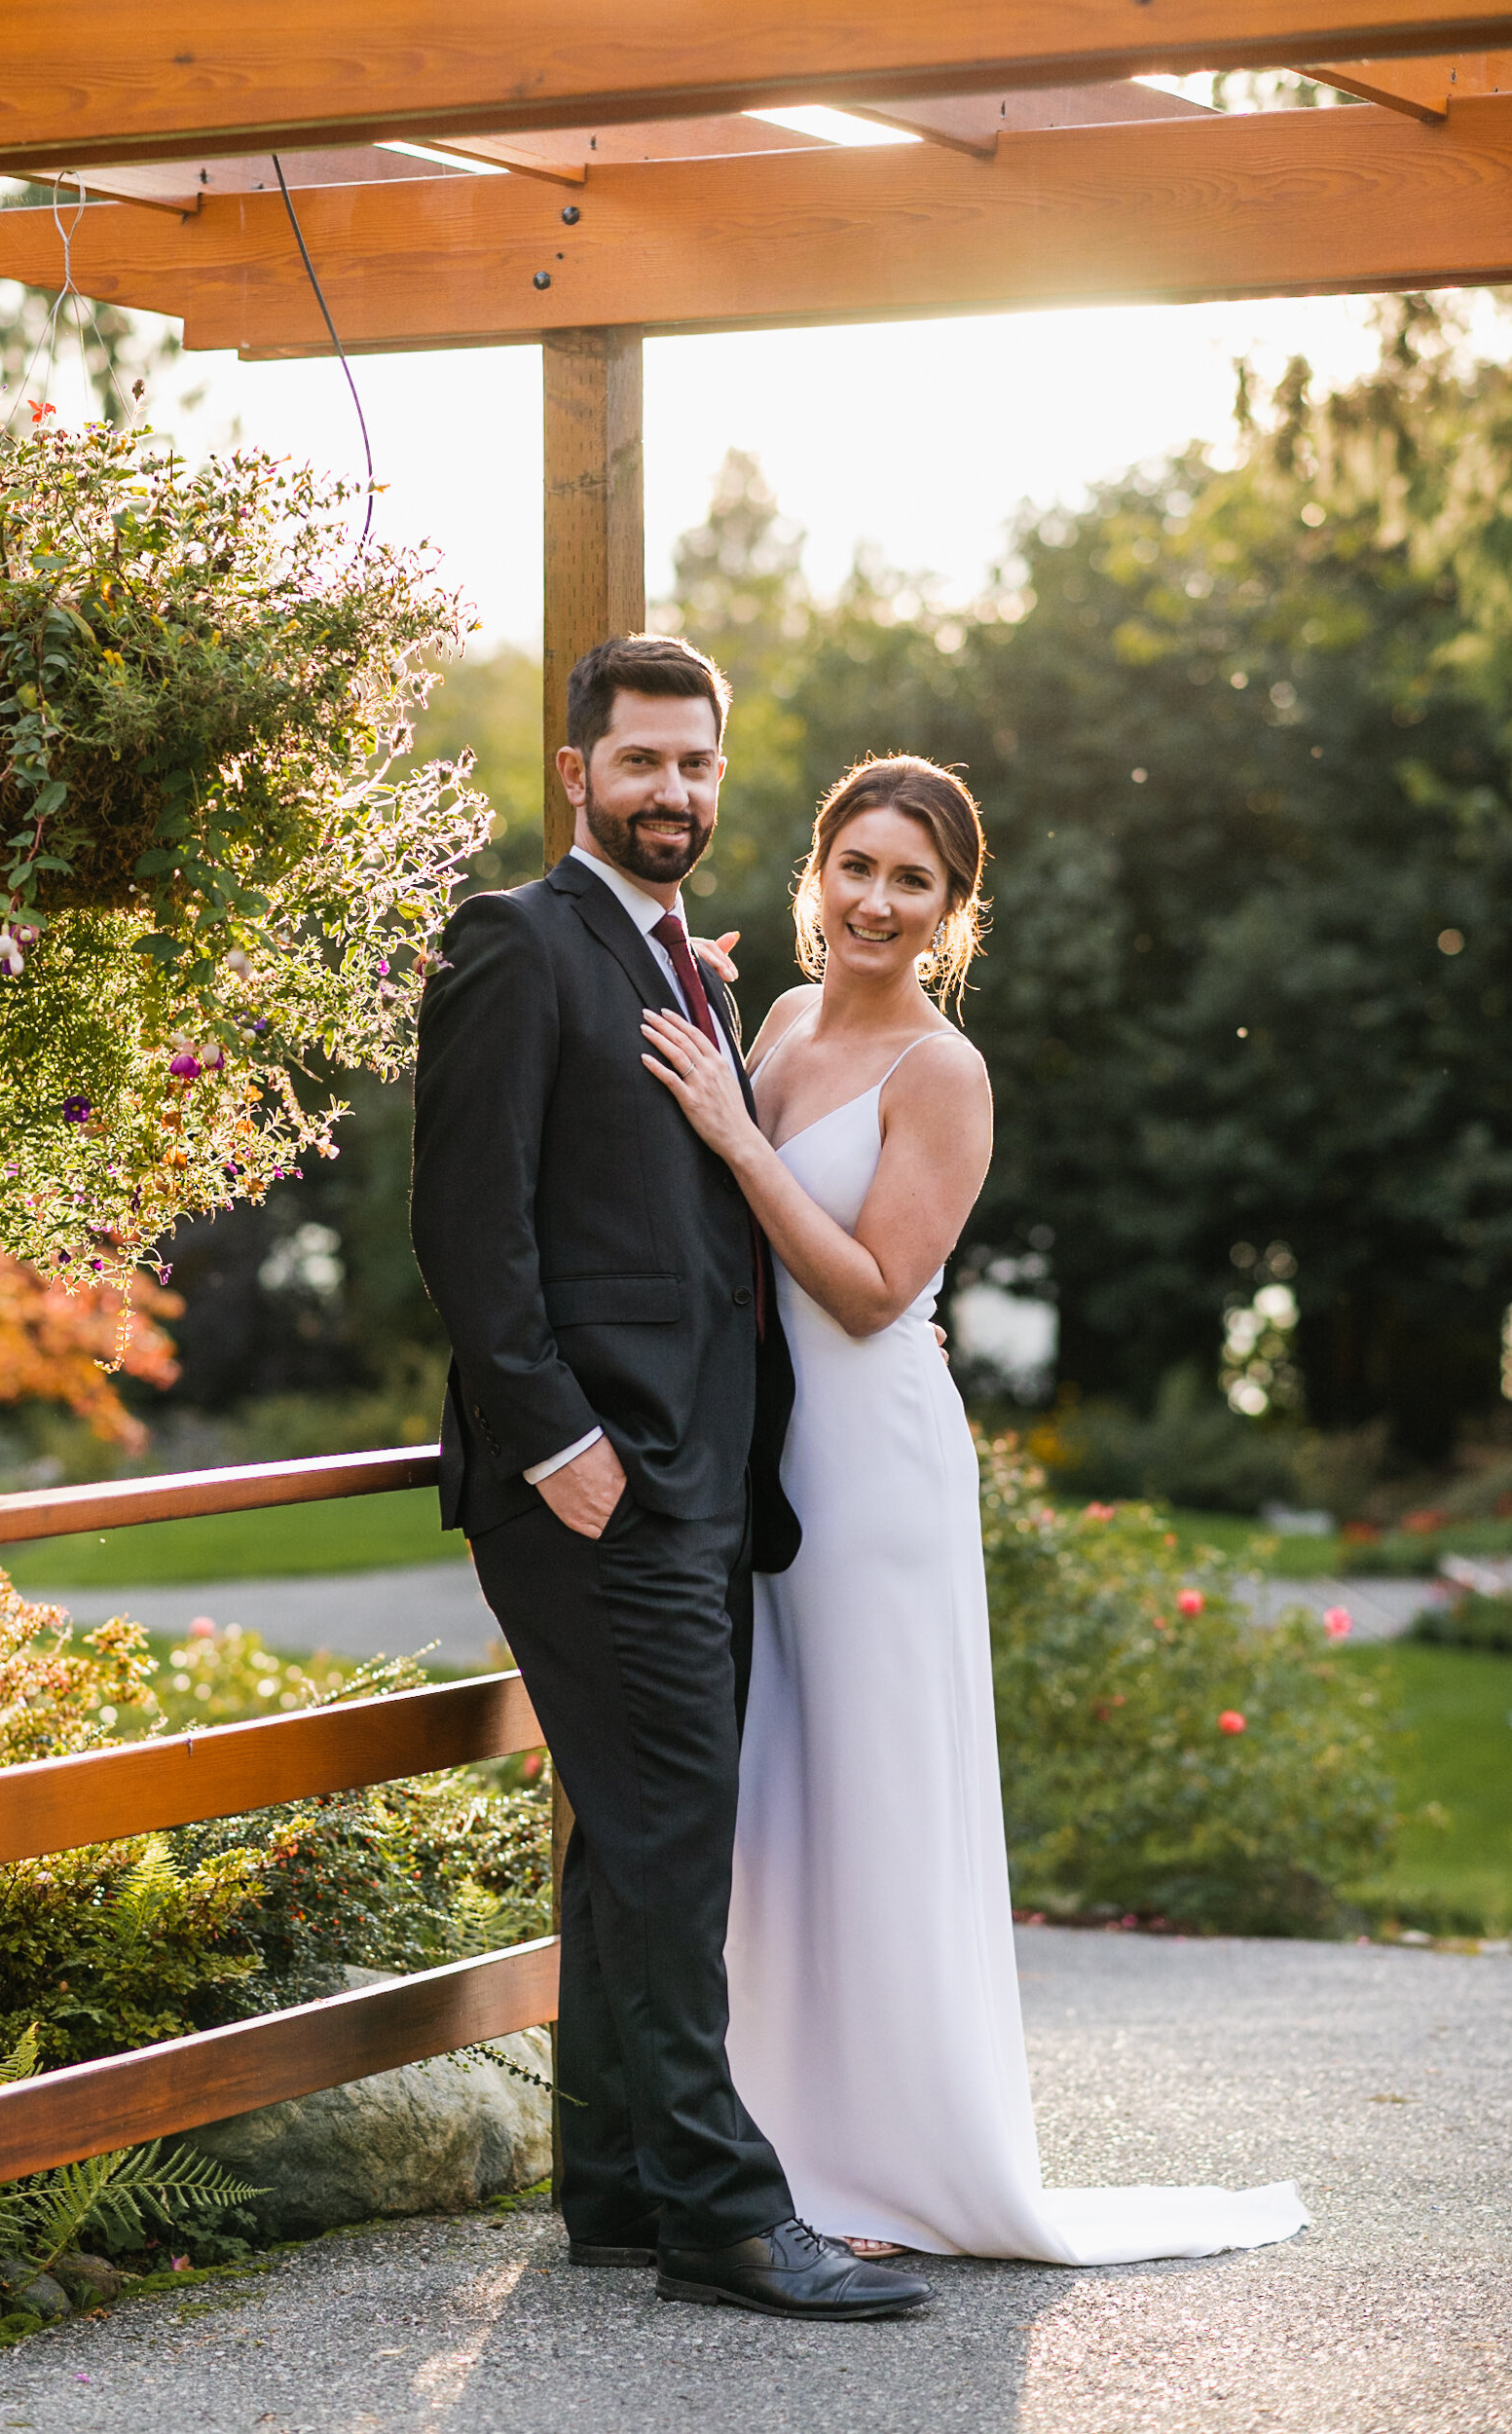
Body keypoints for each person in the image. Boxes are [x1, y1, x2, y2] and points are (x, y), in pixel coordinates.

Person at [642, 752, 1309, 2265]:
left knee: (876, 1793)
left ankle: (898, 2166)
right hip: (766, 1456)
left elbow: (878, 1292)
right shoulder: (789, 1017)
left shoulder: (941, 1072)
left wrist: (741, 1142)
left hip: (872, 1472)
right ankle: (786, 2146)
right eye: (855, 868)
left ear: (954, 912)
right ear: (816, 878)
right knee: (782, 1803)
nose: (877, 900)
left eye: (912, 881)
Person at [411, 638, 931, 2318]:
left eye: (695, 767)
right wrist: (555, 1443)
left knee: (629, 1838)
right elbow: (468, 1227)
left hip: (704, 1477)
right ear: (575, 770)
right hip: (596, 1481)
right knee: (668, 1837)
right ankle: (723, 2212)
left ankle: (622, 2182)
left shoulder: (687, 970)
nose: (672, 795)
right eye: (640, 763)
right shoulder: (514, 942)